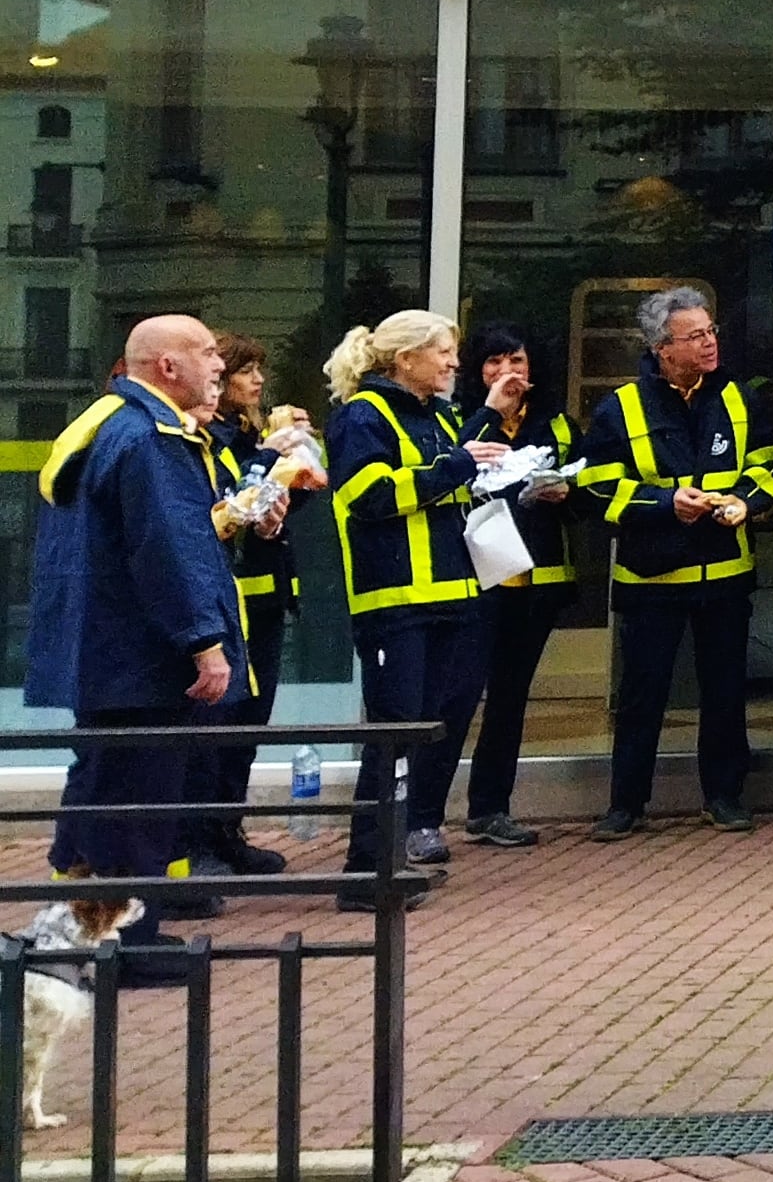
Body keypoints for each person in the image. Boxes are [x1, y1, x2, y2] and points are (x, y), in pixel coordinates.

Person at [30, 316, 252, 937]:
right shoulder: (151, 438)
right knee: (139, 805)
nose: (219, 366)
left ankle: (78, 932)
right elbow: (168, 550)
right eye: (207, 352)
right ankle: (128, 942)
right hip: (146, 663)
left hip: (111, 656)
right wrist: (204, 642)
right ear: (167, 367)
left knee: (101, 794)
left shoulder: (109, 426)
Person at [585, 286, 773, 841]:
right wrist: (662, 503)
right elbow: (595, 489)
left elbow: (769, 466)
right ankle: (626, 804)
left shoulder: (740, 398)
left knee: (724, 693)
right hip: (651, 579)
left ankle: (724, 796)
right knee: (642, 696)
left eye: (710, 331)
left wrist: (748, 501)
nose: (709, 343)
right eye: (695, 336)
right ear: (662, 348)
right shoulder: (618, 408)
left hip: (724, 576)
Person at [322, 308, 484, 903]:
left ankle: (390, 859)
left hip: (447, 597)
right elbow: (369, 496)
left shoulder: (436, 414)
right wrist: (457, 468)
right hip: (396, 603)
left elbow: (443, 482)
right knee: (390, 739)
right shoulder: (364, 414)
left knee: (419, 734)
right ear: (405, 357)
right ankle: (366, 874)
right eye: (443, 351)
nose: (453, 362)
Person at [453, 322, 575, 850]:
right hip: (475, 579)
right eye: (495, 363)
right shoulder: (459, 420)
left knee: (510, 697)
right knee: (456, 696)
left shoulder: (557, 424)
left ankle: (490, 808)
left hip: (538, 578)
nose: (508, 373)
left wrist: (567, 491)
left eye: (517, 363)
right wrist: (490, 415)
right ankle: (421, 817)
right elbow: (445, 473)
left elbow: (589, 487)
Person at [191, 334, 306, 877]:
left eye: (260, 369)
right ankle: (203, 844)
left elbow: (262, 498)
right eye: (245, 371)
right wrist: (269, 456)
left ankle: (228, 832)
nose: (256, 381)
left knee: (250, 725)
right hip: (228, 600)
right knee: (222, 725)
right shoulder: (210, 437)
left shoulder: (248, 433)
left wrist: (287, 488)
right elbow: (227, 497)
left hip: (264, 597)